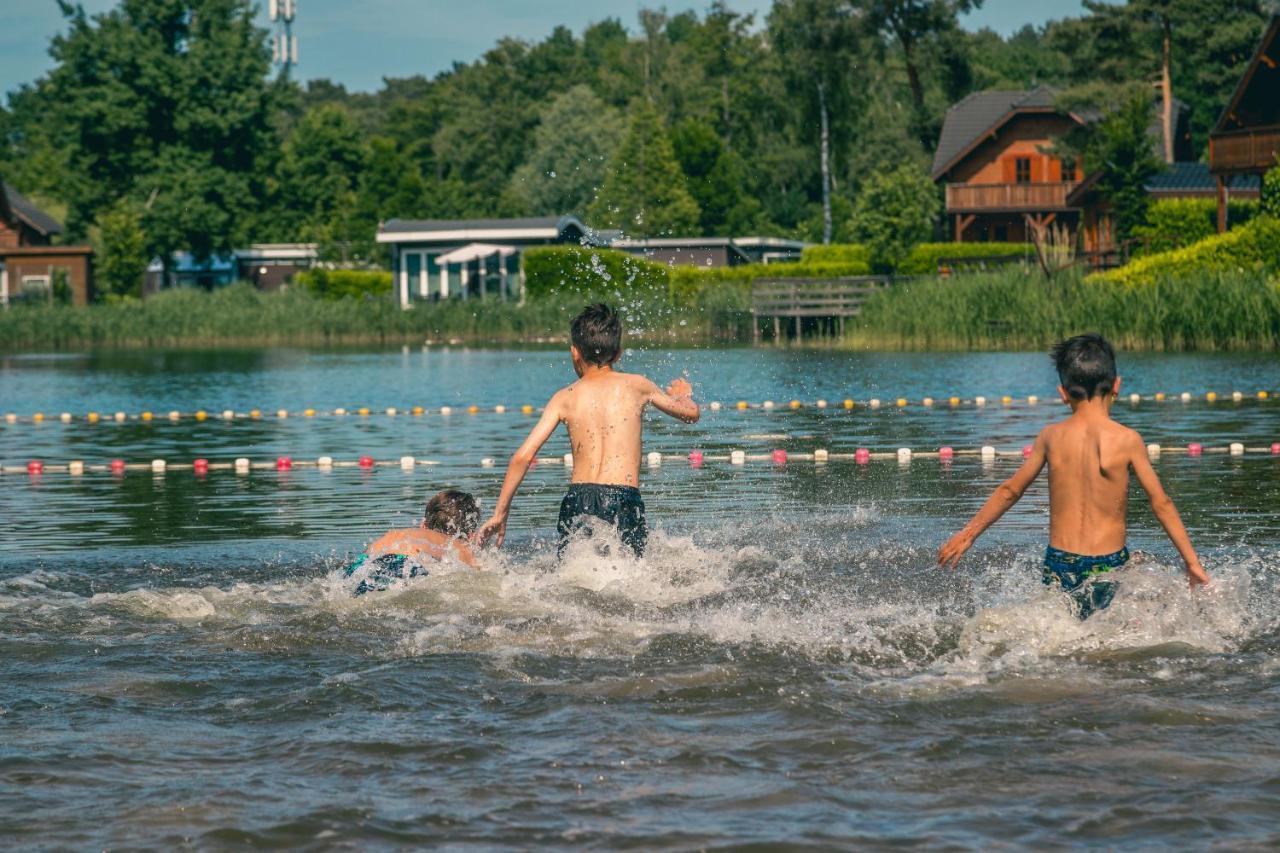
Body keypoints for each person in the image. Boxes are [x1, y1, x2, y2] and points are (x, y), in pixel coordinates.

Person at [937, 333, 1210, 618]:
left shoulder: (1051, 437)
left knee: (1065, 628)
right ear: (1116, 386)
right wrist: (1192, 563)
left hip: (1060, 561)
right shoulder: (1127, 439)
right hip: (1109, 564)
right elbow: (1161, 503)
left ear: (1063, 393)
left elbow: (1010, 490)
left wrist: (968, 535)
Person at [474, 303, 699, 558]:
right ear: (618, 354)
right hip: (622, 496)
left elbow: (522, 457)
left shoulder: (564, 397)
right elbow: (690, 415)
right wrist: (684, 395)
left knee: (575, 577)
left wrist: (500, 514)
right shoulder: (637, 385)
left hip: (577, 499)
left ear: (574, 353)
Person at [345, 489, 480, 595]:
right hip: (408, 567)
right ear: (470, 535)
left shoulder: (395, 536)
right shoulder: (458, 546)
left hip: (363, 566)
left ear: (423, 524)